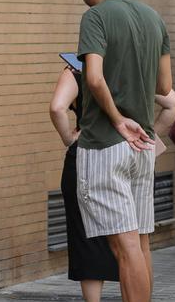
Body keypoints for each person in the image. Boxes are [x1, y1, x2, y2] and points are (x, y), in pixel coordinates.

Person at [70, 0, 175, 302]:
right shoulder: (153, 17)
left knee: (125, 246)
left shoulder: (96, 17)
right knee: (141, 242)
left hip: (106, 143)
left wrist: (118, 119)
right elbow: (164, 86)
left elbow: (93, 78)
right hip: (143, 145)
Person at [49, 65, 120, 301]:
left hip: (85, 155)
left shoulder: (78, 71)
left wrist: (69, 138)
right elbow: (174, 104)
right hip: (124, 152)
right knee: (132, 238)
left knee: (86, 236)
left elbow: (58, 107)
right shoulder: (133, 66)